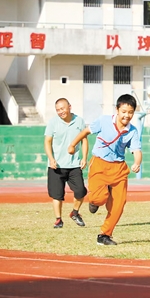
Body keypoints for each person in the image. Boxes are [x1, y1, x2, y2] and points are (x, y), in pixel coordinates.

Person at [68, 94, 142, 245]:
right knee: (99, 198)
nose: (127, 115)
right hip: (100, 164)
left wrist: (137, 162)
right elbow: (85, 132)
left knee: (118, 205)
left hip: (119, 169)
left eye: (130, 112)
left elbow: (137, 150)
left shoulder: (132, 131)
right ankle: (95, 202)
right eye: (124, 111)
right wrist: (72, 145)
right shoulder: (103, 121)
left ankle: (104, 235)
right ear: (117, 110)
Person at [44, 98, 88, 229]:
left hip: (74, 165)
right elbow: (47, 142)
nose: (60, 112)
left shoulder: (79, 121)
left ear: (69, 107)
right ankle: (58, 220)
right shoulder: (53, 123)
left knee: (80, 191)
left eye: (62, 109)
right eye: (58, 110)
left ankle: (75, 212)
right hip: (56, 166)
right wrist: (51, 158)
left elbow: (84, 140)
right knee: (57, 195)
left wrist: (84, 158)